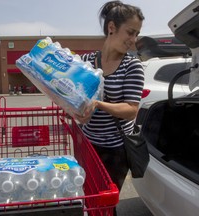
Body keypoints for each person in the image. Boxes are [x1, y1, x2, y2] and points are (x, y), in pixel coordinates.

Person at [75, 1, 145, 214]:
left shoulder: (131, 66)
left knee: (105, 205)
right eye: (130, 32)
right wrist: (75, 109)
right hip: (88, 146)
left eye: (137, 34)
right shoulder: (87, 61)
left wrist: (97, 104)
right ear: (112, 27)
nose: (133, 40)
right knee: (87, 200)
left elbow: (132, 109)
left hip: (115, 150)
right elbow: (74, 95)